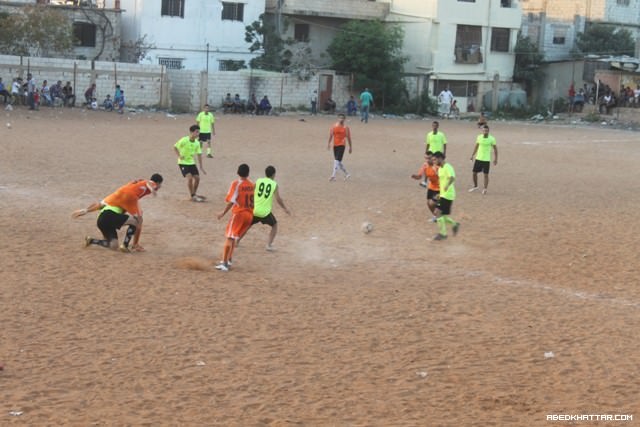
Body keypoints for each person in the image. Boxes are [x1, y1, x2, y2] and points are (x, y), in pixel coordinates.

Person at [71, 173, 163, 252]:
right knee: (138, 221)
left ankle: (91, 240)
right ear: (158, 183)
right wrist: (152, 190)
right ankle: (131, 245)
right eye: (159, 185)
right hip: (117, 209)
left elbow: (100, 204)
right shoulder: (150, 183)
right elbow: (149, 183)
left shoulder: (116, 197)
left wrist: (86, 210)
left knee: (113, 245)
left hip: (103, 218)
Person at [215, 163, 255, 271]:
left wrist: (223, 213)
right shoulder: (251, 185)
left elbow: (231, 201)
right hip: (249, 215)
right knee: (233, 238)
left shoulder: (236, 184)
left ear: (238, 172)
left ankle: (224, 263)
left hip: (239, 213)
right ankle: (228, 260)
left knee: (229, 237)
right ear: (248, 173)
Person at [243, 165, 291, 251]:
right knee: (275, 225)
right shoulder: (274, 184)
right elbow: (278, 199)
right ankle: (269, 245)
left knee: (247, 225)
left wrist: (251, 202)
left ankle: (237, 241)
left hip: (255, 210)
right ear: (273, 175)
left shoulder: (258, 181)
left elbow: (251, 192)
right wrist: (285, 208)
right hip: (265, 213)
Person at [174, 124, 207, 202]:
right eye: (197, 132)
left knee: (197, 178)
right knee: (189, 178)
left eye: (199, 132)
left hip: (191, 163)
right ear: (191, 132)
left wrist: (201, 166)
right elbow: (175, 147)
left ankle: (193, 194)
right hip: (183, 163)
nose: (198, 134)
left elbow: (199, 154)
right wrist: (179, 156)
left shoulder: (197, 143)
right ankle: (192, 195)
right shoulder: (184, 140)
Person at [432, 152, 460, 241]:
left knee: (437, 212)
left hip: (448, 194)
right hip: (444, 194)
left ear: (440, 158)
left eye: (435, 159)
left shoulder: (448, 167)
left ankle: (443, 234)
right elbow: (441, 182)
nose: (434, 161)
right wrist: (439, 194)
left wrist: (447, 185)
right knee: (442, 215)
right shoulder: (440, 169)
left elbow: (452, 177)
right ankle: (455, 224)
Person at [469, 124, 498, 195]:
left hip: (486, 160)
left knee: (485, 175)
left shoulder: (492, 139)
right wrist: (472, 155)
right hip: (478, 158)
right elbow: (476, 147)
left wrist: (496, 159)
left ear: (488, 131)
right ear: (482, 131)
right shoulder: (479, 137)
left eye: (487, 131)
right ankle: (475, 186)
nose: (485, 132)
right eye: (484, 130)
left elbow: (495, 149)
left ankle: (485, 189)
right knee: (474, 173)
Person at [411, 151, 440, 223]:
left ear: (432, 158)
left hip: (439, 188)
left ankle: (439, 213)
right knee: (428, 203)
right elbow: (420, 176)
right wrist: (416, 176)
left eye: (429, 158)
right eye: (426, 158)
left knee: (432, 203)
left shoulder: (437, 166)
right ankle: (435, 217)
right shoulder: (425, 165)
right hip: (431, 187)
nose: (427, 160)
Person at [327, 113, 352, 181]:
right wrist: (329, 143)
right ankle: (347, 174)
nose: (341, 119)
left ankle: (333, 176)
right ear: (338, 118)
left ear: (344, 119)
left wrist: (350, 147)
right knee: (338, 161)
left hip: (342, 144)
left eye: (343, 118)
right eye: (340, 118)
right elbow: (331, 135)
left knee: (336, 160)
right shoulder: (334, 126)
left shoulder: (346, 128)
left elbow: (349, 137)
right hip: (335, 145)